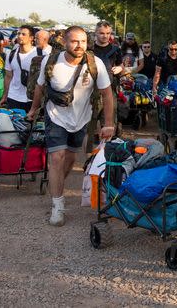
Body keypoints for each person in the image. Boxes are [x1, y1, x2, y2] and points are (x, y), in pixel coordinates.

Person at [27, 26, 114, 226]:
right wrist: (33, 109)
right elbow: (40, 86)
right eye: (74, 41)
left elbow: (107, 94)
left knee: (70, 157)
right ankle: (57, 205)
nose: (79, 45)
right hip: (55, 115)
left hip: (81, 119)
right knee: (57, 157)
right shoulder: (52, 62)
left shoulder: (95, 63)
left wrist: (108, 124)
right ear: (65, 42)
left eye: (83, 41)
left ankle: (56, 183)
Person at [87, 21, 123, 151]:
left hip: (109, 90)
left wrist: (120, 68)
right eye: (101, 33)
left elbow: (122, 66)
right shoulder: (89, 50)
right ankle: (90, 156)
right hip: (90, 91)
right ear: (96, 33)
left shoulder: (116, 50)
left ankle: (105, 153)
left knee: (108, 123)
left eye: (108, 33)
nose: (105, 36)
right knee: (90, 125)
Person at [0, 25, 43, 111]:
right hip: (13, 97)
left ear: (31, 38)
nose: (19, 36)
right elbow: (8, 76)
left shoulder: (41, 54)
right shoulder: (11, 54)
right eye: (18, 33)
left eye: (23, 34)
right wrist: (5, 96)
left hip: (33, 99)